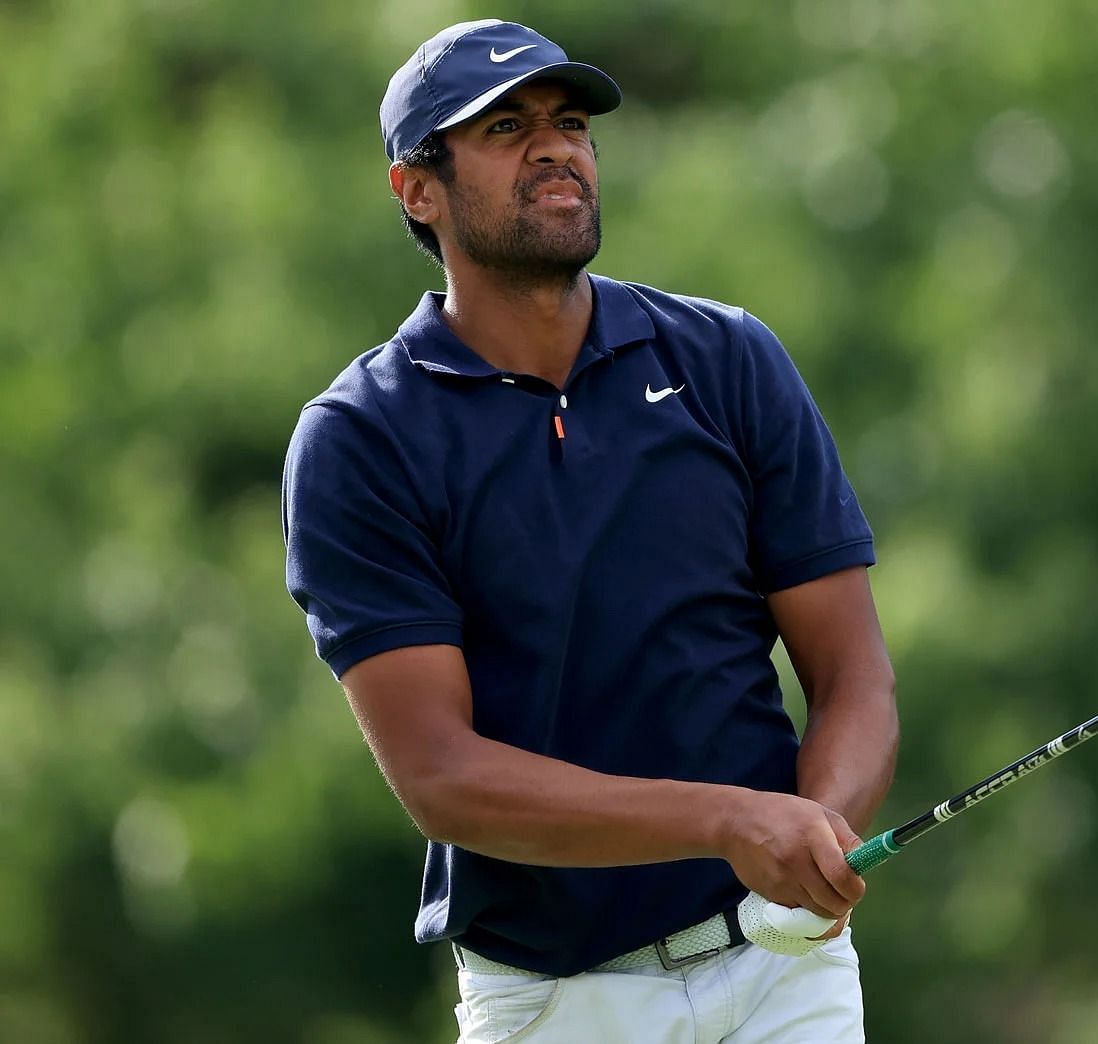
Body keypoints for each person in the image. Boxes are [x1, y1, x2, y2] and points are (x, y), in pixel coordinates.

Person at [281, 19, 897, 1043]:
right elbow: (443, 777)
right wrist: (730, 821)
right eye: (505, 127)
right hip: (558, 1002)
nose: (555, 146)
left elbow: (853, 677)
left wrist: (812, 843)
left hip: (785, 976)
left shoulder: (727, 359)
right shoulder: (361, 439)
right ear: (415, 189)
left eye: (569, 123)